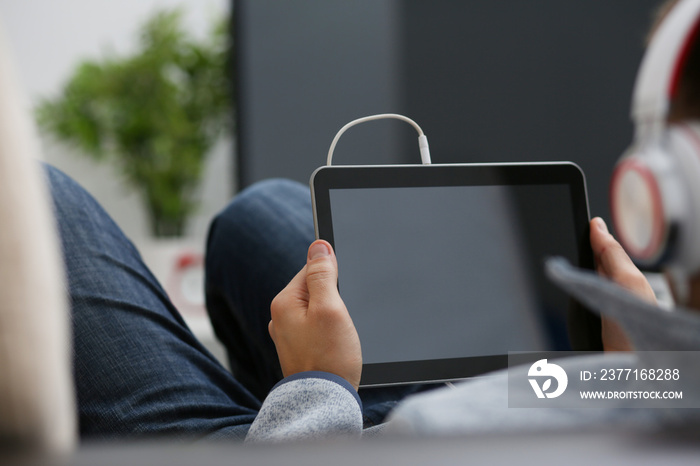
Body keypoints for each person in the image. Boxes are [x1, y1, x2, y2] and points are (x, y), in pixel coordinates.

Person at [57, 0, 700, 442]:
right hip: (571, 399)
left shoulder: (433, 434)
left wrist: (317, 387)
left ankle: (266, 410)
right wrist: (639, 374)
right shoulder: (660, 381)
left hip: (359, 435)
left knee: (40, 197)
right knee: (264, 215)